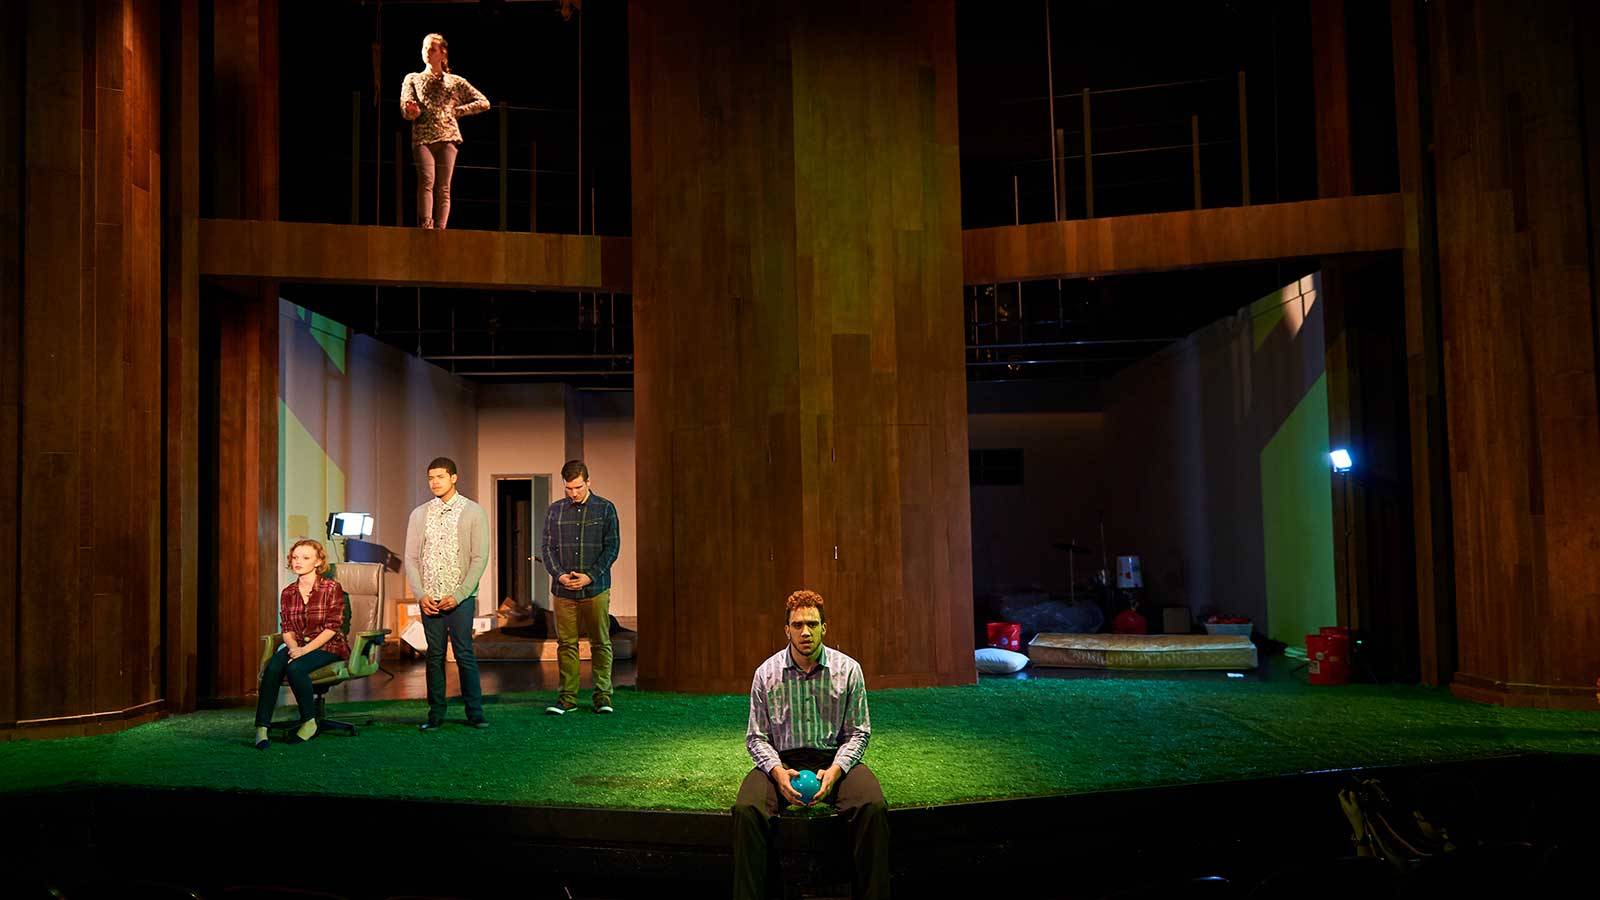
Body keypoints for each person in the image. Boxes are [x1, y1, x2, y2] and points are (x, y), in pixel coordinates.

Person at [733, 590, 890, 900]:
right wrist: (777, 772)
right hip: (782, 761)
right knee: (746, 810)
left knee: (872, 806)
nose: (805, 632)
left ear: (824, 628)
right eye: (797, 624)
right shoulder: (765, 674)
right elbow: (757, 737)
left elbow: (858, 732)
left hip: (833, 758)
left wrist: (835, 771)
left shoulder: (849, 670)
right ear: (786, 629)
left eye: (813, 624)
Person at [405, 456, 491, 730]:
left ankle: (474, 712)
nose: (435, 482)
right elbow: (411, 558)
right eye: (431, 478)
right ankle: (436, 713)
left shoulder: (473, 511)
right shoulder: (420, 514)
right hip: (430, 598)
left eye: (440, 477)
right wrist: (420, 594)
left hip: (460, 598)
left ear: (454, 477)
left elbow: (479, 557)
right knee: (434, 655)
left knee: (464, 653)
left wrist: (462, 593)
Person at [541, 460, 621, 715]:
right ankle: (567, 699)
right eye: (568, 488)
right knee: (566, 644)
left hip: (595, 588)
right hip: (563, 591)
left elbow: (612, 548)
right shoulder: (555, 511)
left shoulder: (605, 508)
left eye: (577, 487)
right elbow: (547, 549)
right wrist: (561, 576)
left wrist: (590, 576)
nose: (573, 493)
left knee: (600, 641)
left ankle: (603, 697)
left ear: (588, 482)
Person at [254, 539, 349, 749]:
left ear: (318, 562)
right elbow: (287, 628)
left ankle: (309, 721)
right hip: (296, 646)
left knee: (295, 668)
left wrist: (304, 650)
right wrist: (293, 647)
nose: (298, 562)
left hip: (327, 646)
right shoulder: (288, 592)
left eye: (305, 558)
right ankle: (262, 727)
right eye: (295, 557)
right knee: (274, 667)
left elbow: (332, 627)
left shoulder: (331, 587)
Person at [399, 33, 490, 230]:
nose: (427, 52)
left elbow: (484, 102)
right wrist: (411, 111)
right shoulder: (413, 78)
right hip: (423, 136)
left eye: (432, 49)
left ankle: (441, 230)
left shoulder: (454, 81)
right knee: (426, 179)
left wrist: (459, 111)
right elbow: (405, 106)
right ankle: (426, 225)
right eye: (424, 48)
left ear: (443, 53)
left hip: (448, 137)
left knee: (444, 187)